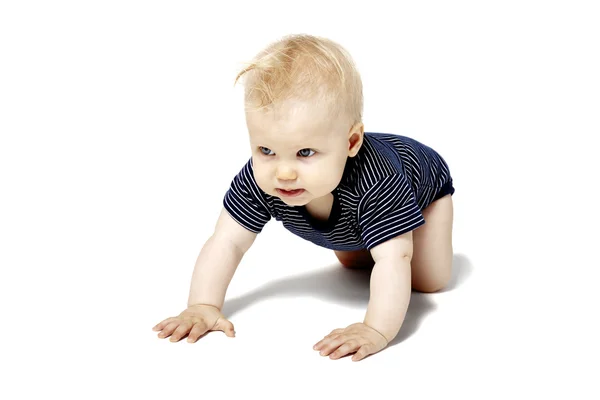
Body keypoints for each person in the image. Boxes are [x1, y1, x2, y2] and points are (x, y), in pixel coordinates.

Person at [152, 33, 455, 362]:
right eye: (266, 150)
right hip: (348, 212)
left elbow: (394, 259)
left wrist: (375, 328)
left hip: (425, 191)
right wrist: (202, 304)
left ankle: (385, 232)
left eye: (305, 152)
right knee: (354, 262)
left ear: (351, 142)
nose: (284, 173)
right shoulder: (260, 177)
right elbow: (227, 241)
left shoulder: (380, 181)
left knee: (427, 280)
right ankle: (369, 235)